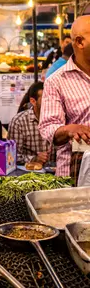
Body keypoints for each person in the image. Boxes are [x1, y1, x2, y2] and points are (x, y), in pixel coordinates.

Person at [39, 16, 90, 178]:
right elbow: (48, 127)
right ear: (80, 42)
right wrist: (69, 130)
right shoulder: (56, 81)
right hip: (75, 173)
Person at [8, 82, 55, 165]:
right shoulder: (19, 121)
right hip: (29, 172)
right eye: (46, 99)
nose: (50, 102)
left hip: (56, 170)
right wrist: (34, 159)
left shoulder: (59, 119)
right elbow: (11, 156)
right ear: (33, 101)